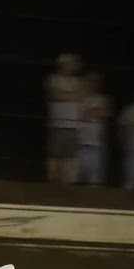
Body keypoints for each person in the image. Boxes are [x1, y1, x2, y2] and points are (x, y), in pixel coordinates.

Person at [45, 53, 84, 184]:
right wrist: (72, 95)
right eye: (70, 63)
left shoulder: (77, 81)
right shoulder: (53, 79)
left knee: (70, 157)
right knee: (55, 156)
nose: (73, 66)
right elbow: (57, 95)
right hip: (58, 125)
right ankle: (52, 183)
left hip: (73, 126)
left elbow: (80, 95)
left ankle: (68, 185)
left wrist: (65, 94)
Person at [77, 72, 112, 186]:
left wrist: (91, 112)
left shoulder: (103, 99)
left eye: (96, 81)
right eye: (91, 81)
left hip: (97, 145)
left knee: (94, 181)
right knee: (77, 179)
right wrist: (96, 111)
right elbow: (80, 115)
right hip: (80, 144)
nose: (93, 84)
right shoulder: (80, 99)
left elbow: (107, 112)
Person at [118, 90, 134, 190]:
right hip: (132, 148)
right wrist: (123, 141)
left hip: (132, 147)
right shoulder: (129, 110)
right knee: (130, 180)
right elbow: (121, 128)